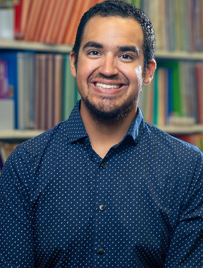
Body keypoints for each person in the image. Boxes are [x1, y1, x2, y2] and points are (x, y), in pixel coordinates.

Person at [1, 0, 203, 267]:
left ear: (149, 71)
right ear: (74, 62)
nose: (107, 69)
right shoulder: (25, 165)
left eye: (125, 56)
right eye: (94, 52)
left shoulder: (189, 167)